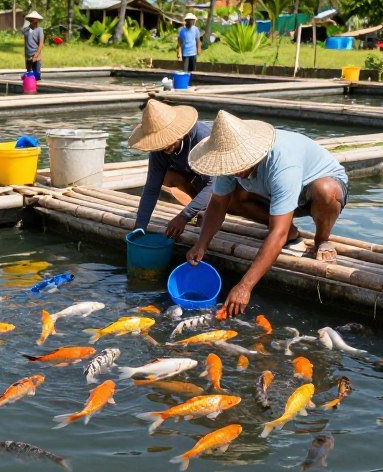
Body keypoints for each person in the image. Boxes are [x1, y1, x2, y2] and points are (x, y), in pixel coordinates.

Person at [186, 110, 349, 316]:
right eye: (231, 166)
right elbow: (218, 203)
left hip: (314, 193)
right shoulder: (230, 163)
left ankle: (321, 239)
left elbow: (276, 234)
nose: (235, 170)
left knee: (326, 191)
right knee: (233, 198)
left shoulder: (281, 162)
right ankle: (291, 230)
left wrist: (245, 286)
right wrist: (202, 243)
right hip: (274, 192)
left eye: (239, 164)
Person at [129, 99, 216, 239]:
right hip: (194, 176)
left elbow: (214, 186)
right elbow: (152, 187)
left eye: (168, 140)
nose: (164, 147)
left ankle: (207, 209)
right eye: (159, 142)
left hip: (227, 182)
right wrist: (140, 225)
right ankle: (202, 208)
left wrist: (184, 216)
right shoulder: (159, 150)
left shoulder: (202, 139)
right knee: (168, 176)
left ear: (180, 132)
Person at [21, 10, 44, 80]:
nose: (34, 21)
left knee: (36, 76)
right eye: (32, 19)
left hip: (36, 56)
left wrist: (36, 56)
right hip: (28, 56)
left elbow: (41, 44)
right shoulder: (26, 30)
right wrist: (26, 57)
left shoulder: (39, 30)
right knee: (29, 75)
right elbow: (25, 43)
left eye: (35, 20)